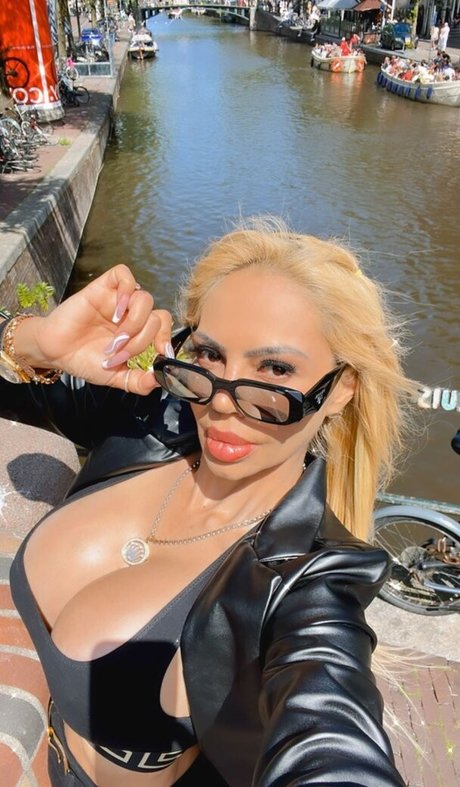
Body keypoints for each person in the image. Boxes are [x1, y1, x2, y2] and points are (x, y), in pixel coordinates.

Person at [0, 220, 413, 787]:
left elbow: (331, 734)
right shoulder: (153, 419)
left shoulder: (307, 579)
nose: (221, 404)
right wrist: (36, 343)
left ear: (342, 388)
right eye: (211, 355)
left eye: (275, 370)